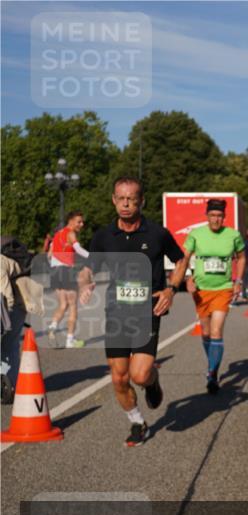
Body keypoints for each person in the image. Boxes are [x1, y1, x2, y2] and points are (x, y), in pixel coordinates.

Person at [77, 177, 188, 447]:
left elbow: (181, 259)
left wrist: (171, 288)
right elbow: (89, 268)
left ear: (141, 201)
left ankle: (152, 381)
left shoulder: (157, 234)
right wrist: (85, 282)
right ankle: (137, 422)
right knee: (119, 377)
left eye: (132, 198)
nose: (126, 203)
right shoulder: (103, 236)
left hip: (147, 310)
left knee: (139, 375)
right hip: (116, 311)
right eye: (121, 198)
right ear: (113, 200)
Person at [181, 198, 245, 394]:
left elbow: (241, 257)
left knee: (216, 331)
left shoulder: (233, 235)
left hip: (223, 288)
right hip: (201, 289)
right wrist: (187, 277)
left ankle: (212, 373)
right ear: (207, 216)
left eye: (219, 216)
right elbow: (184, 257)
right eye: (212, 216)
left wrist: (238, 281)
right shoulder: (196, 234)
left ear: (224, 217)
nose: (216, 219)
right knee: (206, 332)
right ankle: (212, 364)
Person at [1, 235, 44, 405]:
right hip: (12, 302)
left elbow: (7, 298)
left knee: (9, 343)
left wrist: (4, 324)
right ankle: (11, 384)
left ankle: (10, 386)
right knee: (9, 346)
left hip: (15, 304)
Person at [46, 211, 90, 348]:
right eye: (79, 221)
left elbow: (49, 255)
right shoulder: (71, 233)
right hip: (65, 271)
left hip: (54, 272)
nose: (81, 224)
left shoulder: (57, 235)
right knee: (72, 305)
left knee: (63, 304)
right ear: (70, 221)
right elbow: (79, 250)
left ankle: (53, 326)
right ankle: (70, 340)